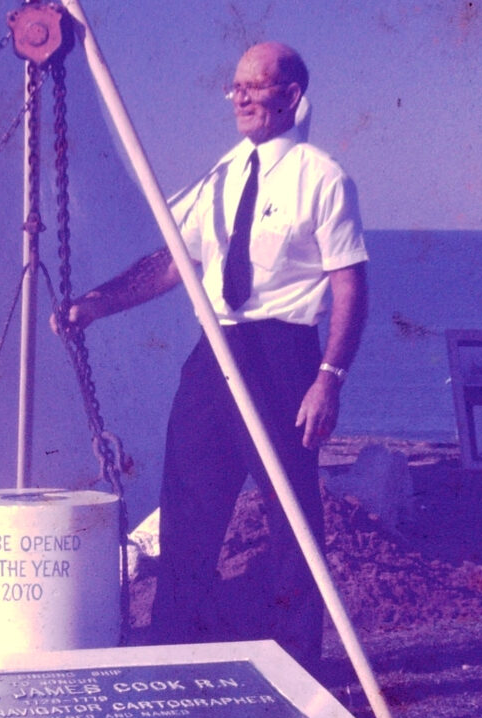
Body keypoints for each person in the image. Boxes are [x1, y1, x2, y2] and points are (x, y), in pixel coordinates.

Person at [56, 42, 368, 669]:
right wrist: (96, 304)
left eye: (257, 86)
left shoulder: (322, 176)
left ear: (292, 96)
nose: (243, 97)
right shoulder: (221, 175)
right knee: (189, 502)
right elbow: (171, 261)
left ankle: (298, 660)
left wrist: (328, 379)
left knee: (291, 518)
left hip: (284, 357)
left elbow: (350, 286)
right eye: (236, 87)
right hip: (216, 352)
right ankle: (175, 646)